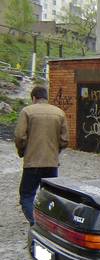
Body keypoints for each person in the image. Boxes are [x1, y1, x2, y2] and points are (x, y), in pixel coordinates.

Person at [14, 86, 69, 225]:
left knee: (26, 196)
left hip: (32, 163)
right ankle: (50, 223)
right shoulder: (59, 113)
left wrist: (22, 152)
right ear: (46, 97)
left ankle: (36, 224)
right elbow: (65, 140)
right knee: (49, 197)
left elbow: (20, 137)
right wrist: (54, 153)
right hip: (51, 164)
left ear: (33, 98)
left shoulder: (27, 111)